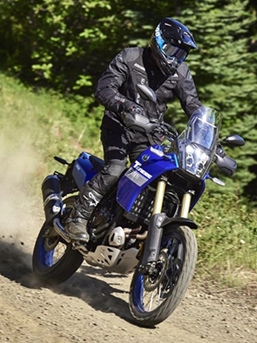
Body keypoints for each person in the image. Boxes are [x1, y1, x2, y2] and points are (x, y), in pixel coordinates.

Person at [64, 17, 203, 242]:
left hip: (148, 135)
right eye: (172, 50)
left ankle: (134, 228)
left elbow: (194, 106)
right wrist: (126, 106)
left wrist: (214, 142)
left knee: (154, 177)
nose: (176, 58)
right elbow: (104, 88)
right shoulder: (130, 57)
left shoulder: (181, 73)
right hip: (118, 126)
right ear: (158, 41)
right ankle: (77, 218)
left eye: (181, 54)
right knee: (116, 169)